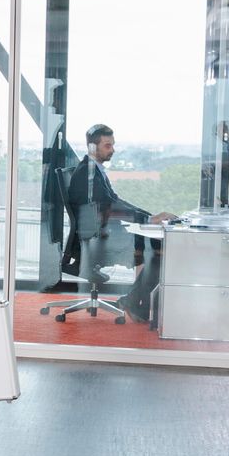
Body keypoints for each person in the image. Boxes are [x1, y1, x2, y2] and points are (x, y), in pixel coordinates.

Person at [61, 123, 174, 321]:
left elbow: (114, 201)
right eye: (107, 145)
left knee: (157, 245)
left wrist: (149, 217)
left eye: (112, 145)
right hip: (96, 242)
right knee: (159, 247)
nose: (112, 150)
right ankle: (135, 302)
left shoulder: (94, 170)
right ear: (92, 147)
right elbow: (110, 208)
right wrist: (147, 219)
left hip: (100, 234)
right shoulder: (88, 175)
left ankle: (134, 302)